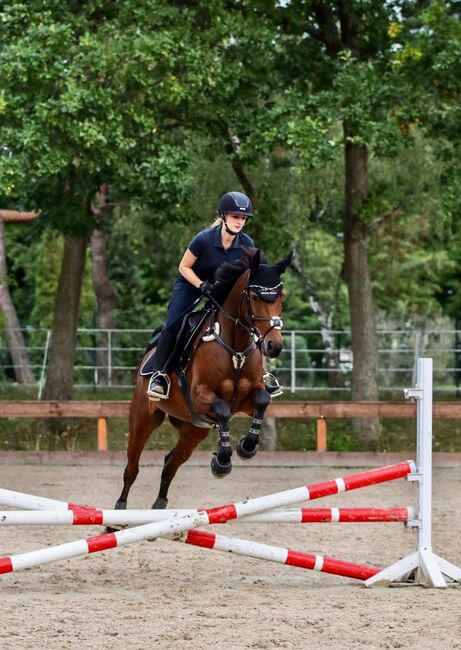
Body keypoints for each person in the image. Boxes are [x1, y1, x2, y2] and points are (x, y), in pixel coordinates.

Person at [147, 191, 255, 399]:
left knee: (248, 321)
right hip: (191, 284)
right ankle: (159, 374)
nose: (240, 222)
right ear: (224, 216)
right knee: (174, 323)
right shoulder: (203, 239)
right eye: (235, 216)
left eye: (243, 218)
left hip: (221, 289)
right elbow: (184, 266)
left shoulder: (247, 244)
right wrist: (201, 285)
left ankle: (261, 374)